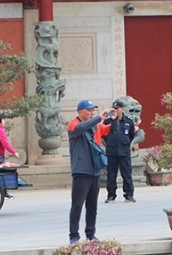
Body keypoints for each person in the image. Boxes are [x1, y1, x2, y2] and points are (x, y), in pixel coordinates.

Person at [67, 99, 112, 245]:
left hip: (95, 170)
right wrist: (99, 117)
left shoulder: (95, 125)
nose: (92, 112)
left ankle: (90, 234)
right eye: (89, 110)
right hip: (81, 171)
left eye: (93, 110)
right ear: (80, 111)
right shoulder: (74, 124)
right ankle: (74, 235)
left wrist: (116, 119)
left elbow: (109, 130)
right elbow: (82, 127)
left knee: (92, 206)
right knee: (77, 205)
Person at [103, 99, 137, 203]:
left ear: (122, 109)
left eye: (117, 108)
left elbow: (131, 135)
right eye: (113, 108)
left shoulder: (128, 121)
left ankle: (129, 195)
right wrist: (110, 142)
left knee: (126, 174)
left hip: (124, 152)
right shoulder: (108, 121)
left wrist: (125, 143)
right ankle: (111, 195)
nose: (115, 110)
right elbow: (104, 135)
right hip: (111, 151)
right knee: (111, 175)